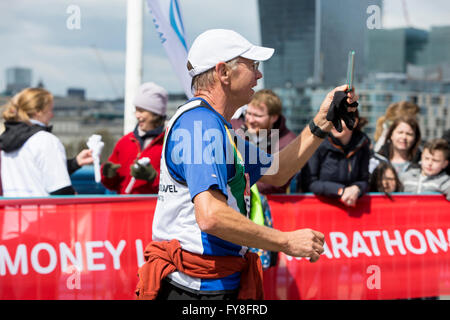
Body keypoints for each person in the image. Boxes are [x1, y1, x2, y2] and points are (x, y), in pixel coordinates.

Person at [135, 29, 358, 300]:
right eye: (252, 65)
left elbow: (277, 171)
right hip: (196, 288)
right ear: (223, 72)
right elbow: (211, 216)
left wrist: (323, 120)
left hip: (206, 283)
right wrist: (286, 241)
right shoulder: (200, 125)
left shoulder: (214, 125)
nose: (259, 74)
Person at [0, 87, 88, 196]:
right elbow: (60, 189)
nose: (52, 115)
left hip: (12, 210)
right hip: (41, 210)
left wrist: (75, 163)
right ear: (38, 112)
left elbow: (33, 173)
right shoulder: (45, 140)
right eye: (50, 110)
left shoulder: (5, 141)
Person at [100, 82, 167, 194]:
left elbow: (177, 186)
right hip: (124, 208)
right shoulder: (125, 142)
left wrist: (153, 177)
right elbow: (111, 184)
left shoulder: (169, 143)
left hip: (153, 209)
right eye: (136, 110)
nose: (137, 115)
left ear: (156, 113)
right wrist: (107, 174)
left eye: (141, 111)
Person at [231, 89, 296, 194]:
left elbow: (277, 183)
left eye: (257, 116)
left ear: (274, 117)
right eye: (248, 113)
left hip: (266, 204)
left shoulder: (288, 142)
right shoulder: (233, 127)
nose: (250, 120)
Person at [301, 110, 370, 207]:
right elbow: (309, 182)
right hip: (320, 208)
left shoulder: (363, 145)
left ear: (354, 122)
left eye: (341, 119)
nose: (335, 124)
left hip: (352, 208)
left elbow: (364, 180)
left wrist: (357, 188)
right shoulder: (317, 144)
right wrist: (340, 190)